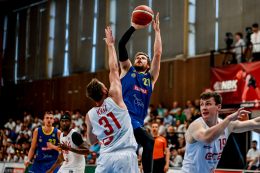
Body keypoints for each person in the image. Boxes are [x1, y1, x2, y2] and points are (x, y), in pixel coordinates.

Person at [85, 27, 138, 173]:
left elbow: (91, 141)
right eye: (104, 85)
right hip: (125, 155)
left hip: (105, 157)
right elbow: (114, 68)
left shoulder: (90, 115)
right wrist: (110, 45)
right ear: (104, 91)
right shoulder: (114, 97)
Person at [118, 13, 162, 173]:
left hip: (137, 121)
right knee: (149, 141)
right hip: (124, 117)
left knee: (127, 156)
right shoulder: (126, 69)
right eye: (138, 57)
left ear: (148, 65)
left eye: (143, 58)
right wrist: (134, 27)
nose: (139, 59)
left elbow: (157, 54)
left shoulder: (150, 78)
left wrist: (157, 32)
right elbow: (121, 45)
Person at [180, 91, 260, 173]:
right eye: (201, 104)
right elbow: (207, 138)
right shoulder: (196, 125)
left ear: (218, 107)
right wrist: (229, 118)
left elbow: (256, 123)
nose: (204, 107)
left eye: (208, 104)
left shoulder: (227, 125)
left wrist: (246, 123)